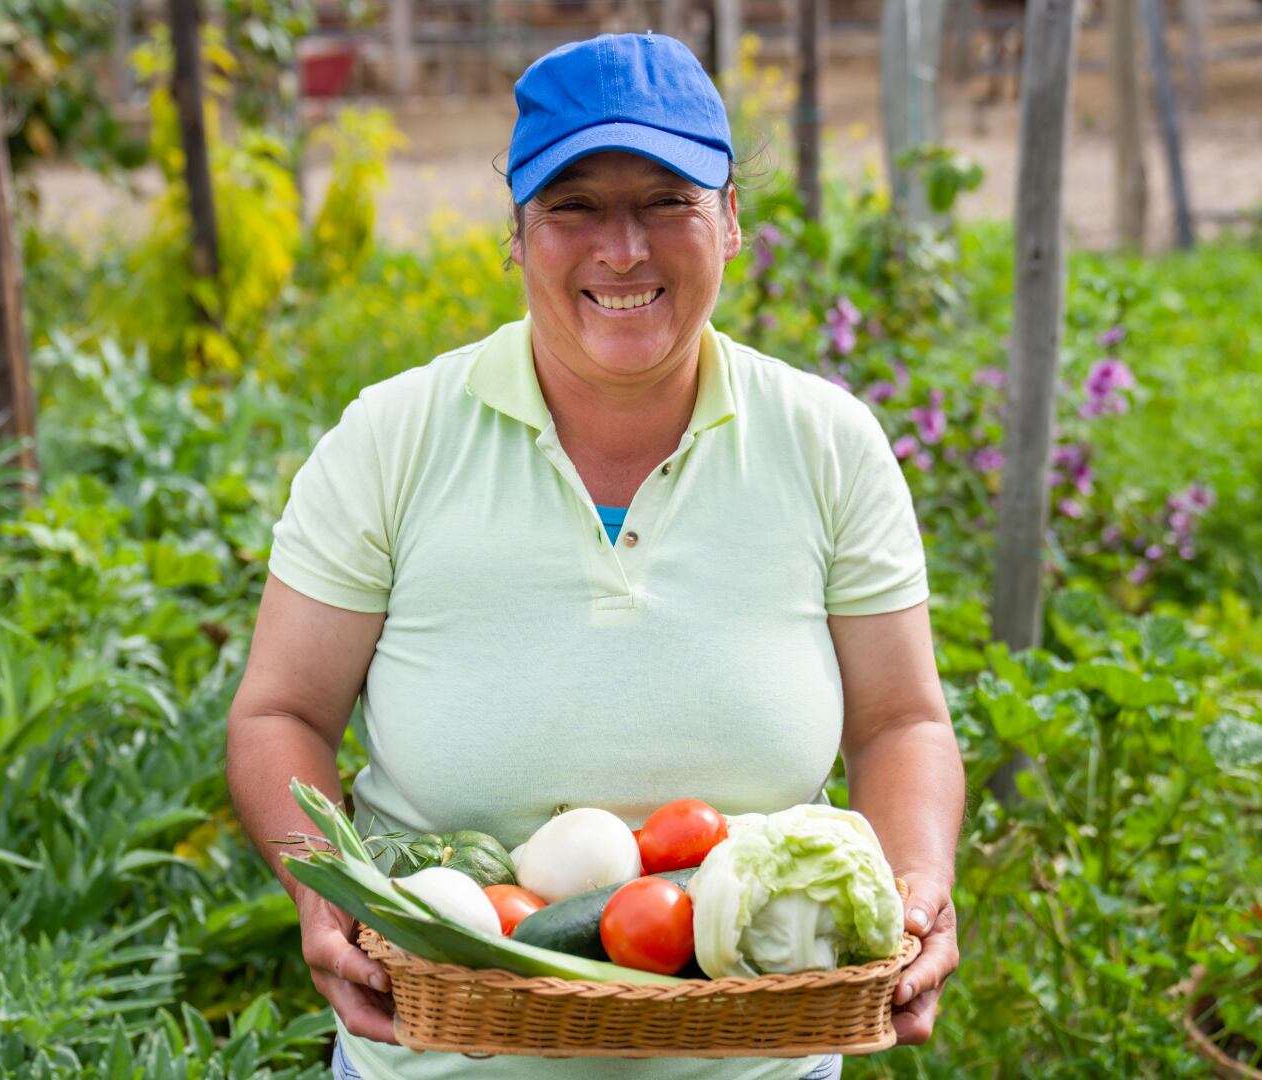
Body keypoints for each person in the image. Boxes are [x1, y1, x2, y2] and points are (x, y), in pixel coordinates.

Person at [226, 31, 965, 1080]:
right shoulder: (391, 443)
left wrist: (919, 882)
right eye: (575, 207)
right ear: (517, 239)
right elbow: (280, 714)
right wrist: (321, 890)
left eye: (668, 200)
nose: (623, 249)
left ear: (732, 222)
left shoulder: (827, 445)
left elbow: (902, 722)